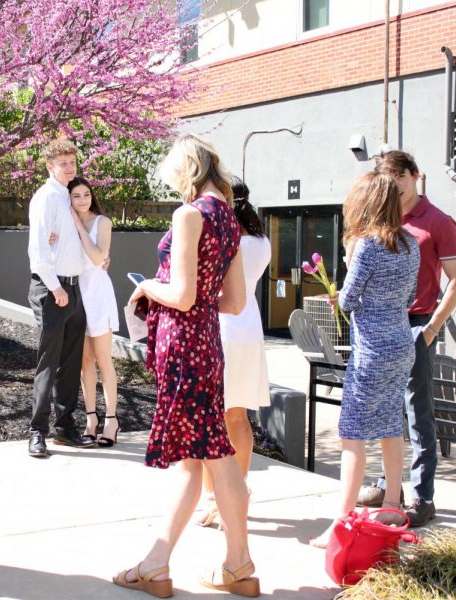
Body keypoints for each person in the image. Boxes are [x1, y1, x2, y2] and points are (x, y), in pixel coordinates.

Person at [115, 134, 259, 598]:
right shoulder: (231, 220)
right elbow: (235, 302)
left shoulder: (190, 214)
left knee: (207, 457)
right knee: (205, 455)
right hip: (208, 346)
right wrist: (187, 298)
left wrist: (147, 287)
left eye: (174, 177)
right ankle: (228, 566)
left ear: (187, 171)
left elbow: (181, 294)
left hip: (182, 347)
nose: (174, 187)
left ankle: (189, 566)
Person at [309, 171, 420, 548]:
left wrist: (338, 290)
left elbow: (349, 299)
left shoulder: (367, 245)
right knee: (392, 422)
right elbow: (408, 298)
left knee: (352, 433)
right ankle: (392, 504)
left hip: (371, 349)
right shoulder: (411, 244)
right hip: (401, 344)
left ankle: (340, 523)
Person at [357, 151, 456, 527]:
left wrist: (432, 329)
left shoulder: (437, 222)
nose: (393, 186)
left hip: (417, 323)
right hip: (380, 326)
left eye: (398, 178)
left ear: (415, 176)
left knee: (418, 411)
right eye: (387, 179)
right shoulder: (381, 219)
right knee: (387, 411)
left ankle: (422, 496)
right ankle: (389, 487)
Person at [196, 176, 272, 528]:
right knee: (238, 416)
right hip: (249, 328)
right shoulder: (261, 240)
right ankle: (237, 492)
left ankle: (216, 498)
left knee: (213, 418)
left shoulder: (222, 237)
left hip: (221, 326)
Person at [26, 140, 95, 458]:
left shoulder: (69, 197)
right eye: (63, 163)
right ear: (49, 166)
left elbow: (68, 244)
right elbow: (38, 251)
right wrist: (56, 289)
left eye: (72, 161)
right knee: (48, 363)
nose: (69, 167)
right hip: (52, 290)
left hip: (74, 288)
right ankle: (37, 432)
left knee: (70, 364)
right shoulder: (46, 198)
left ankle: (65, 429)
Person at [68, 177, 121, 446]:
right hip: (78, 297)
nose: (82, 200)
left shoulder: (103, 222)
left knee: (103, 359)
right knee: (84, 361)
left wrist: (78, 226)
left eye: (86, 194)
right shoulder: (65, 225)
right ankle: (91, 419)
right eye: (76, 196)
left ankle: (111, 420)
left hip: (98, 296)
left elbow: (99, 258)